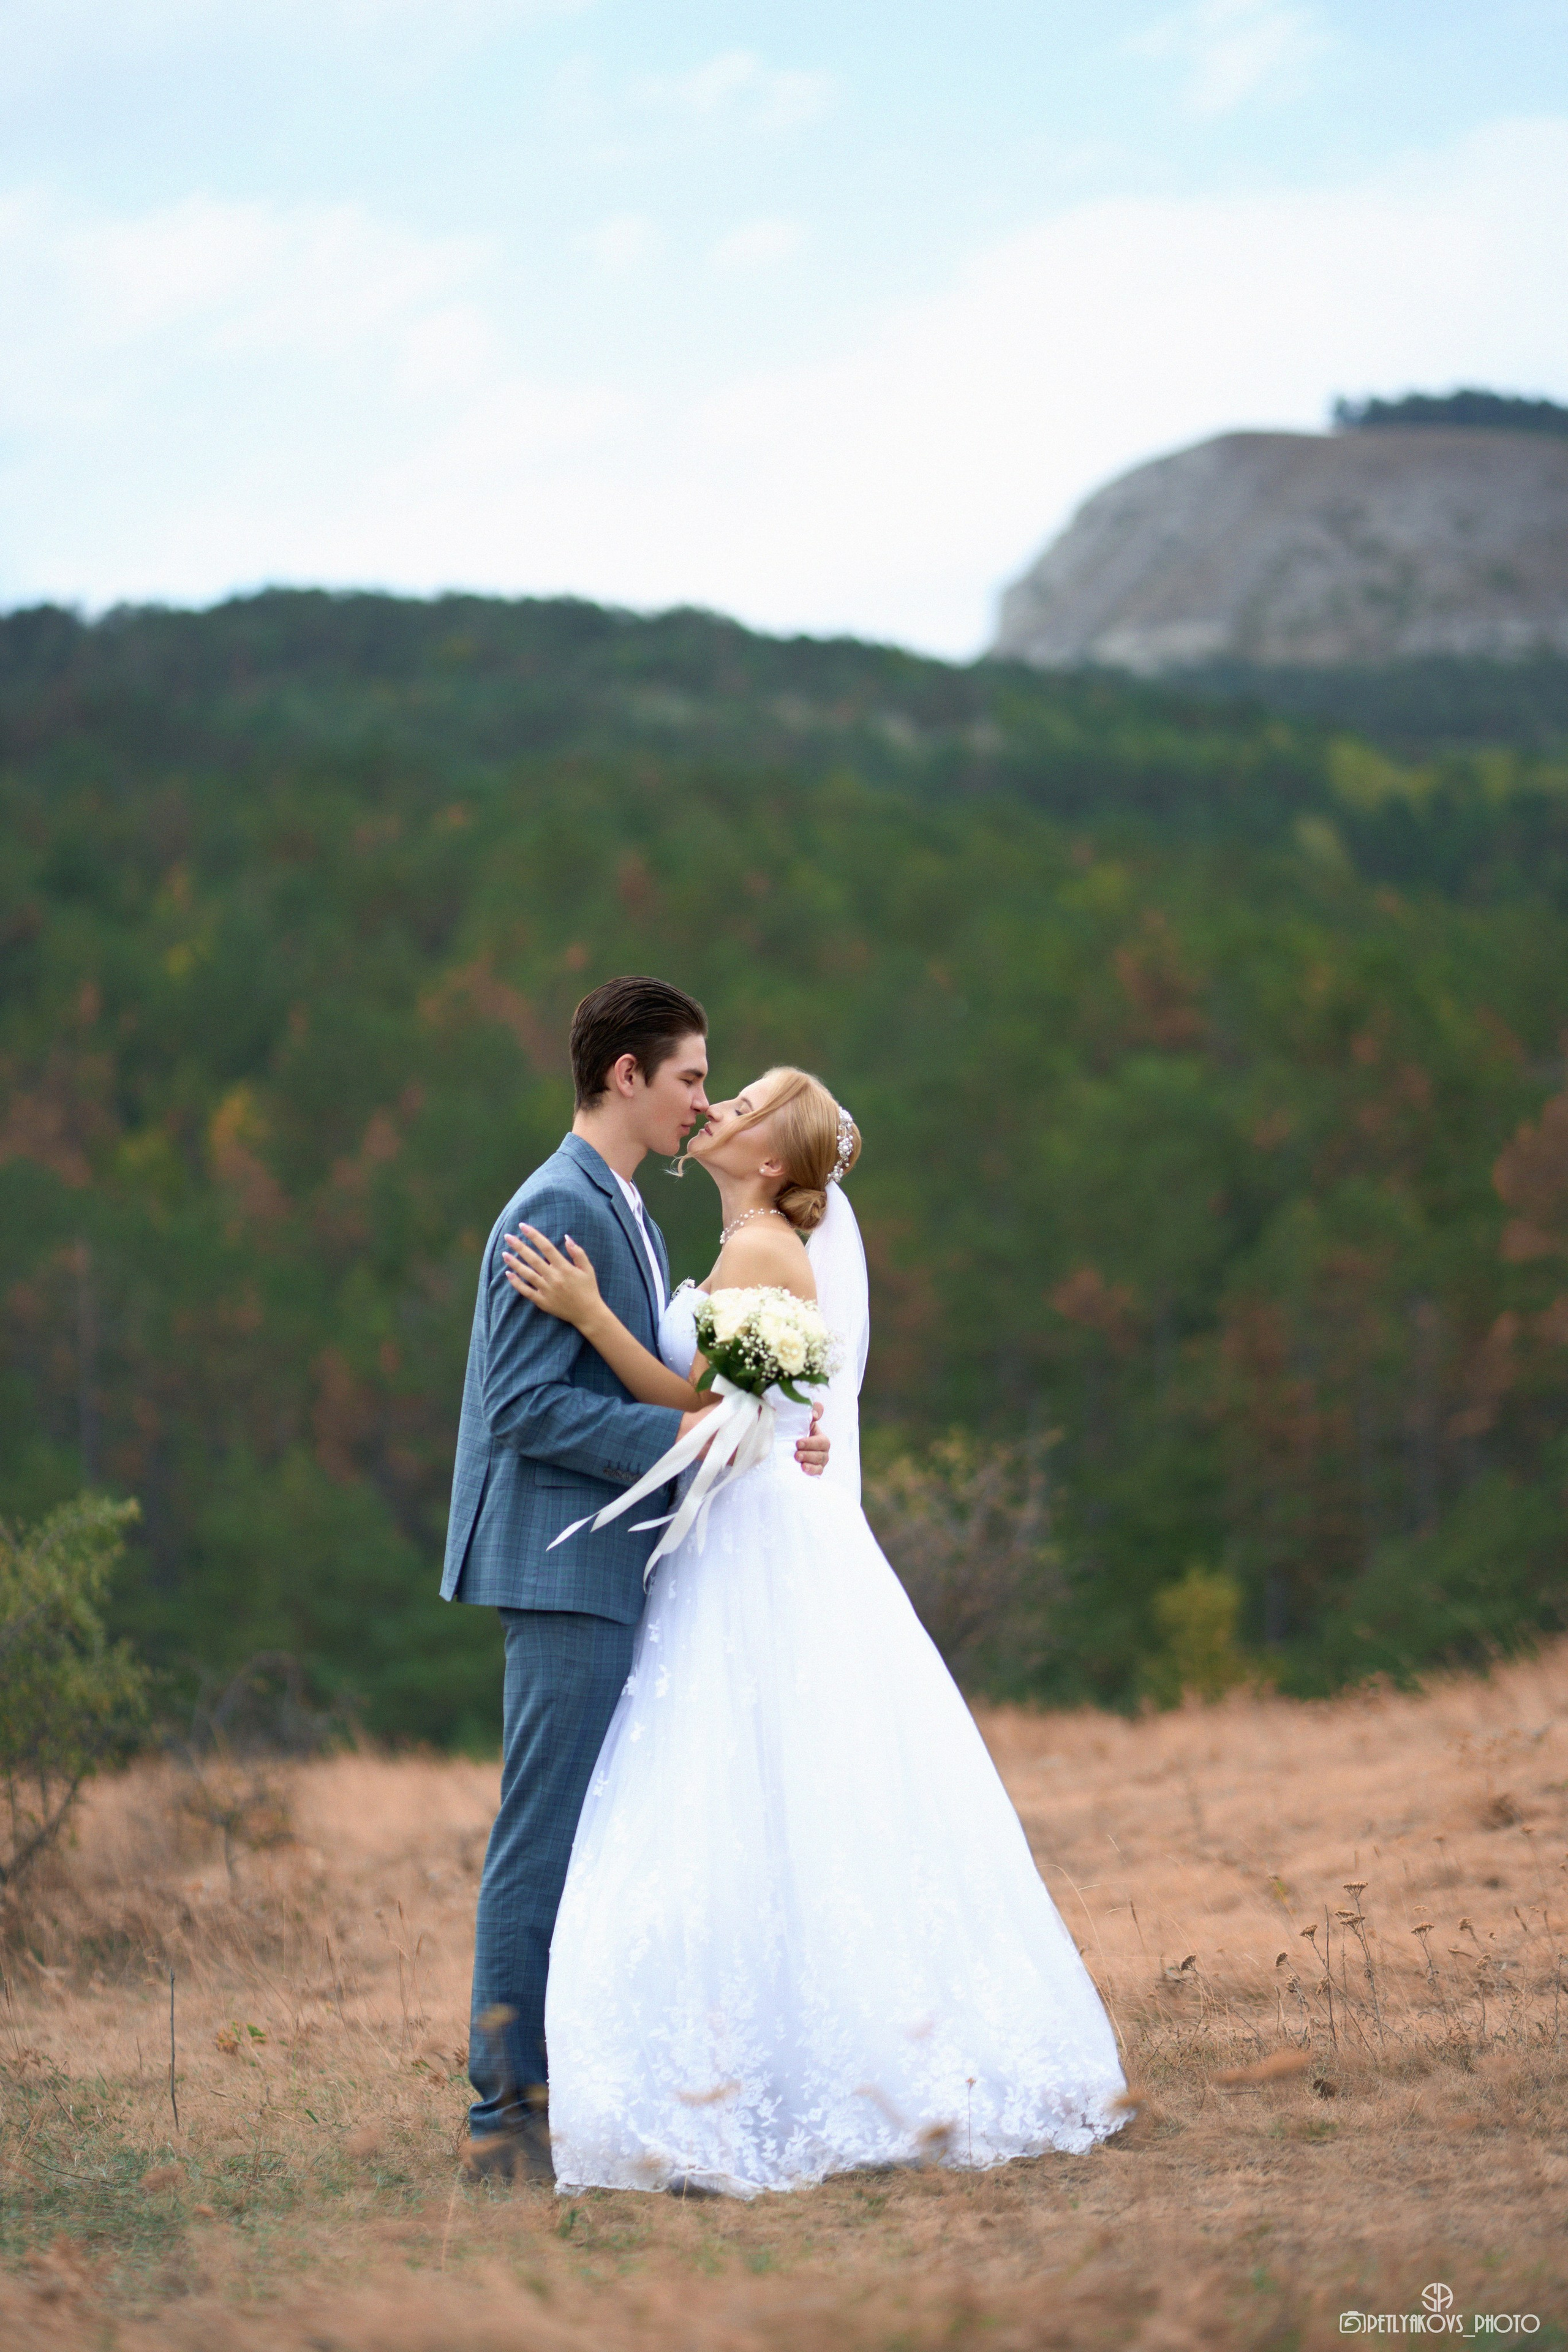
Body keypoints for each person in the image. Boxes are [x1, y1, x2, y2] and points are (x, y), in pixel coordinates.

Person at [501, 1065, 1128, 2198]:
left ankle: (776, 2077)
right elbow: (761, 1409)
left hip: (752, 1541)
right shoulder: (754, 1242)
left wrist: (589, 1316)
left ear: (774, 1162)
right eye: (718, 1091)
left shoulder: (756, 1252)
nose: (718, 1111)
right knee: (775, 1798)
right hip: (753, 1524)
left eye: (739, 1106)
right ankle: (789, 2064)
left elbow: (697, 1413)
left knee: (737, 1792)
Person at [441, 978, 831, 2179]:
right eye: (689, 1080)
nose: (700, 1103)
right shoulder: (553, 1206)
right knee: (543, 1838)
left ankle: (585, 2089)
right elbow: (522, 1407)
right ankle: (504, 2122)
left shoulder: (631, 1213)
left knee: (599, 1843)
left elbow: (662, 1379)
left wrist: (757, 1429)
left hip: (616, 1562)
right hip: (564, 1567)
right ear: (626, 1077)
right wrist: (696, 1445)